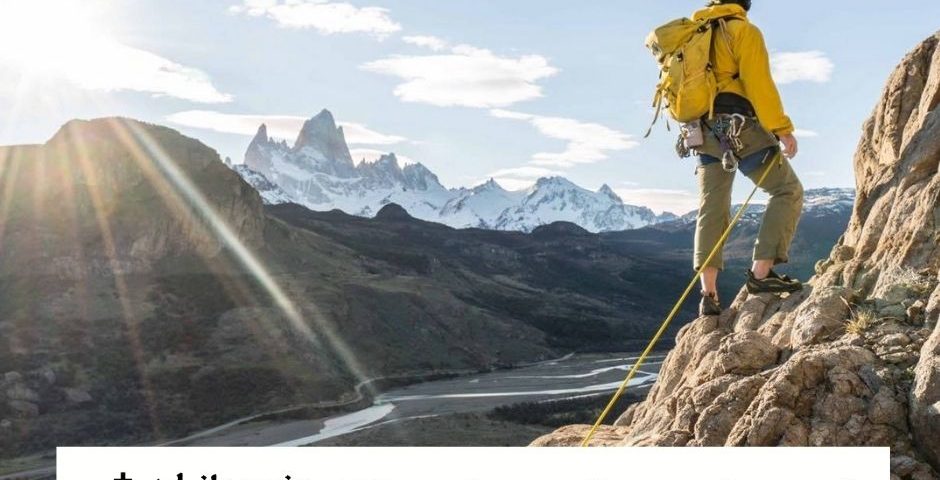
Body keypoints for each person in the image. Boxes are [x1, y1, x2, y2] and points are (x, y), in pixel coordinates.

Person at [691, 0, 805, 316]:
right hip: (741, 127)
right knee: (787, 191)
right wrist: (782, 129)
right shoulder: (743, 31)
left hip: (701, 131)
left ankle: (708, 295)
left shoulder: (695, 34)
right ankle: (761, 274)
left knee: (711, 208)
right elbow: (759, 85)